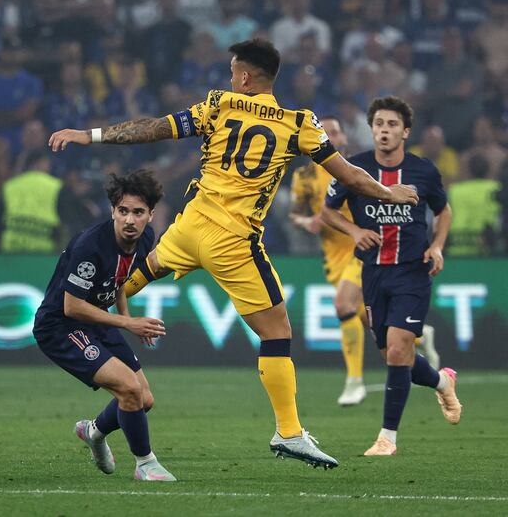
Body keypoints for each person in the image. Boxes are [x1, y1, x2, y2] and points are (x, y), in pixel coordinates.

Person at [49, 39, 419, 469]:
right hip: (233, 240)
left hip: (189, 225)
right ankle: (289, 432)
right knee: (277, 333)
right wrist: (389, 192)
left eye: (232, 71)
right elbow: (350, 175)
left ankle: (69, 321)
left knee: (129, 279)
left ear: (244, 77)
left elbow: (153, 128)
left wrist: (88, 135)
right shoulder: (298, 123)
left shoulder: (219, 104)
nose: (229, 78)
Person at [322, 96, 461, 456]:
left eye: (392, 125)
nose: (384, 131)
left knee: (401, 347)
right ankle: (442, 381)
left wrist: (438, 245)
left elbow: (443, 212)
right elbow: (327, 212)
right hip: (373, 272)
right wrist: (353, 233)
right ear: (371, 129)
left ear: (405, 131)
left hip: (413, 271)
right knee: (393, 355)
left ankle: (387, 438)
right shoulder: (354, 169)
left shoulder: (423, 171)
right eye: (379, 124)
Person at [32, 169, 175, 482]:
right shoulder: (90, 246)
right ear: (113, 210)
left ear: (150, 216)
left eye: (138, 212)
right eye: (122, 211)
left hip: (96, 317)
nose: (129, 220)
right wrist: (128, 322)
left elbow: (118, 281)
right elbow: (72, 306)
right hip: (60, 325)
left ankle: (94, 431)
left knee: (143, 399)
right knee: (129, 388)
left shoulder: (144, 239)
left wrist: (126, 317)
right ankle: (145, 464)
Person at [289, 115, 367, 406]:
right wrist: (306, 221)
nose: (331, 136)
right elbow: (295, 213)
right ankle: (422, 337)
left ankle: (354, 381)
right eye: (325, 132)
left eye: (335, 131)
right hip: (333, 256)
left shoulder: (356, 170)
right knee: (366, 318)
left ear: (344, 139)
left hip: (363, 247)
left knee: (343, 305)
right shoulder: (304, 177)